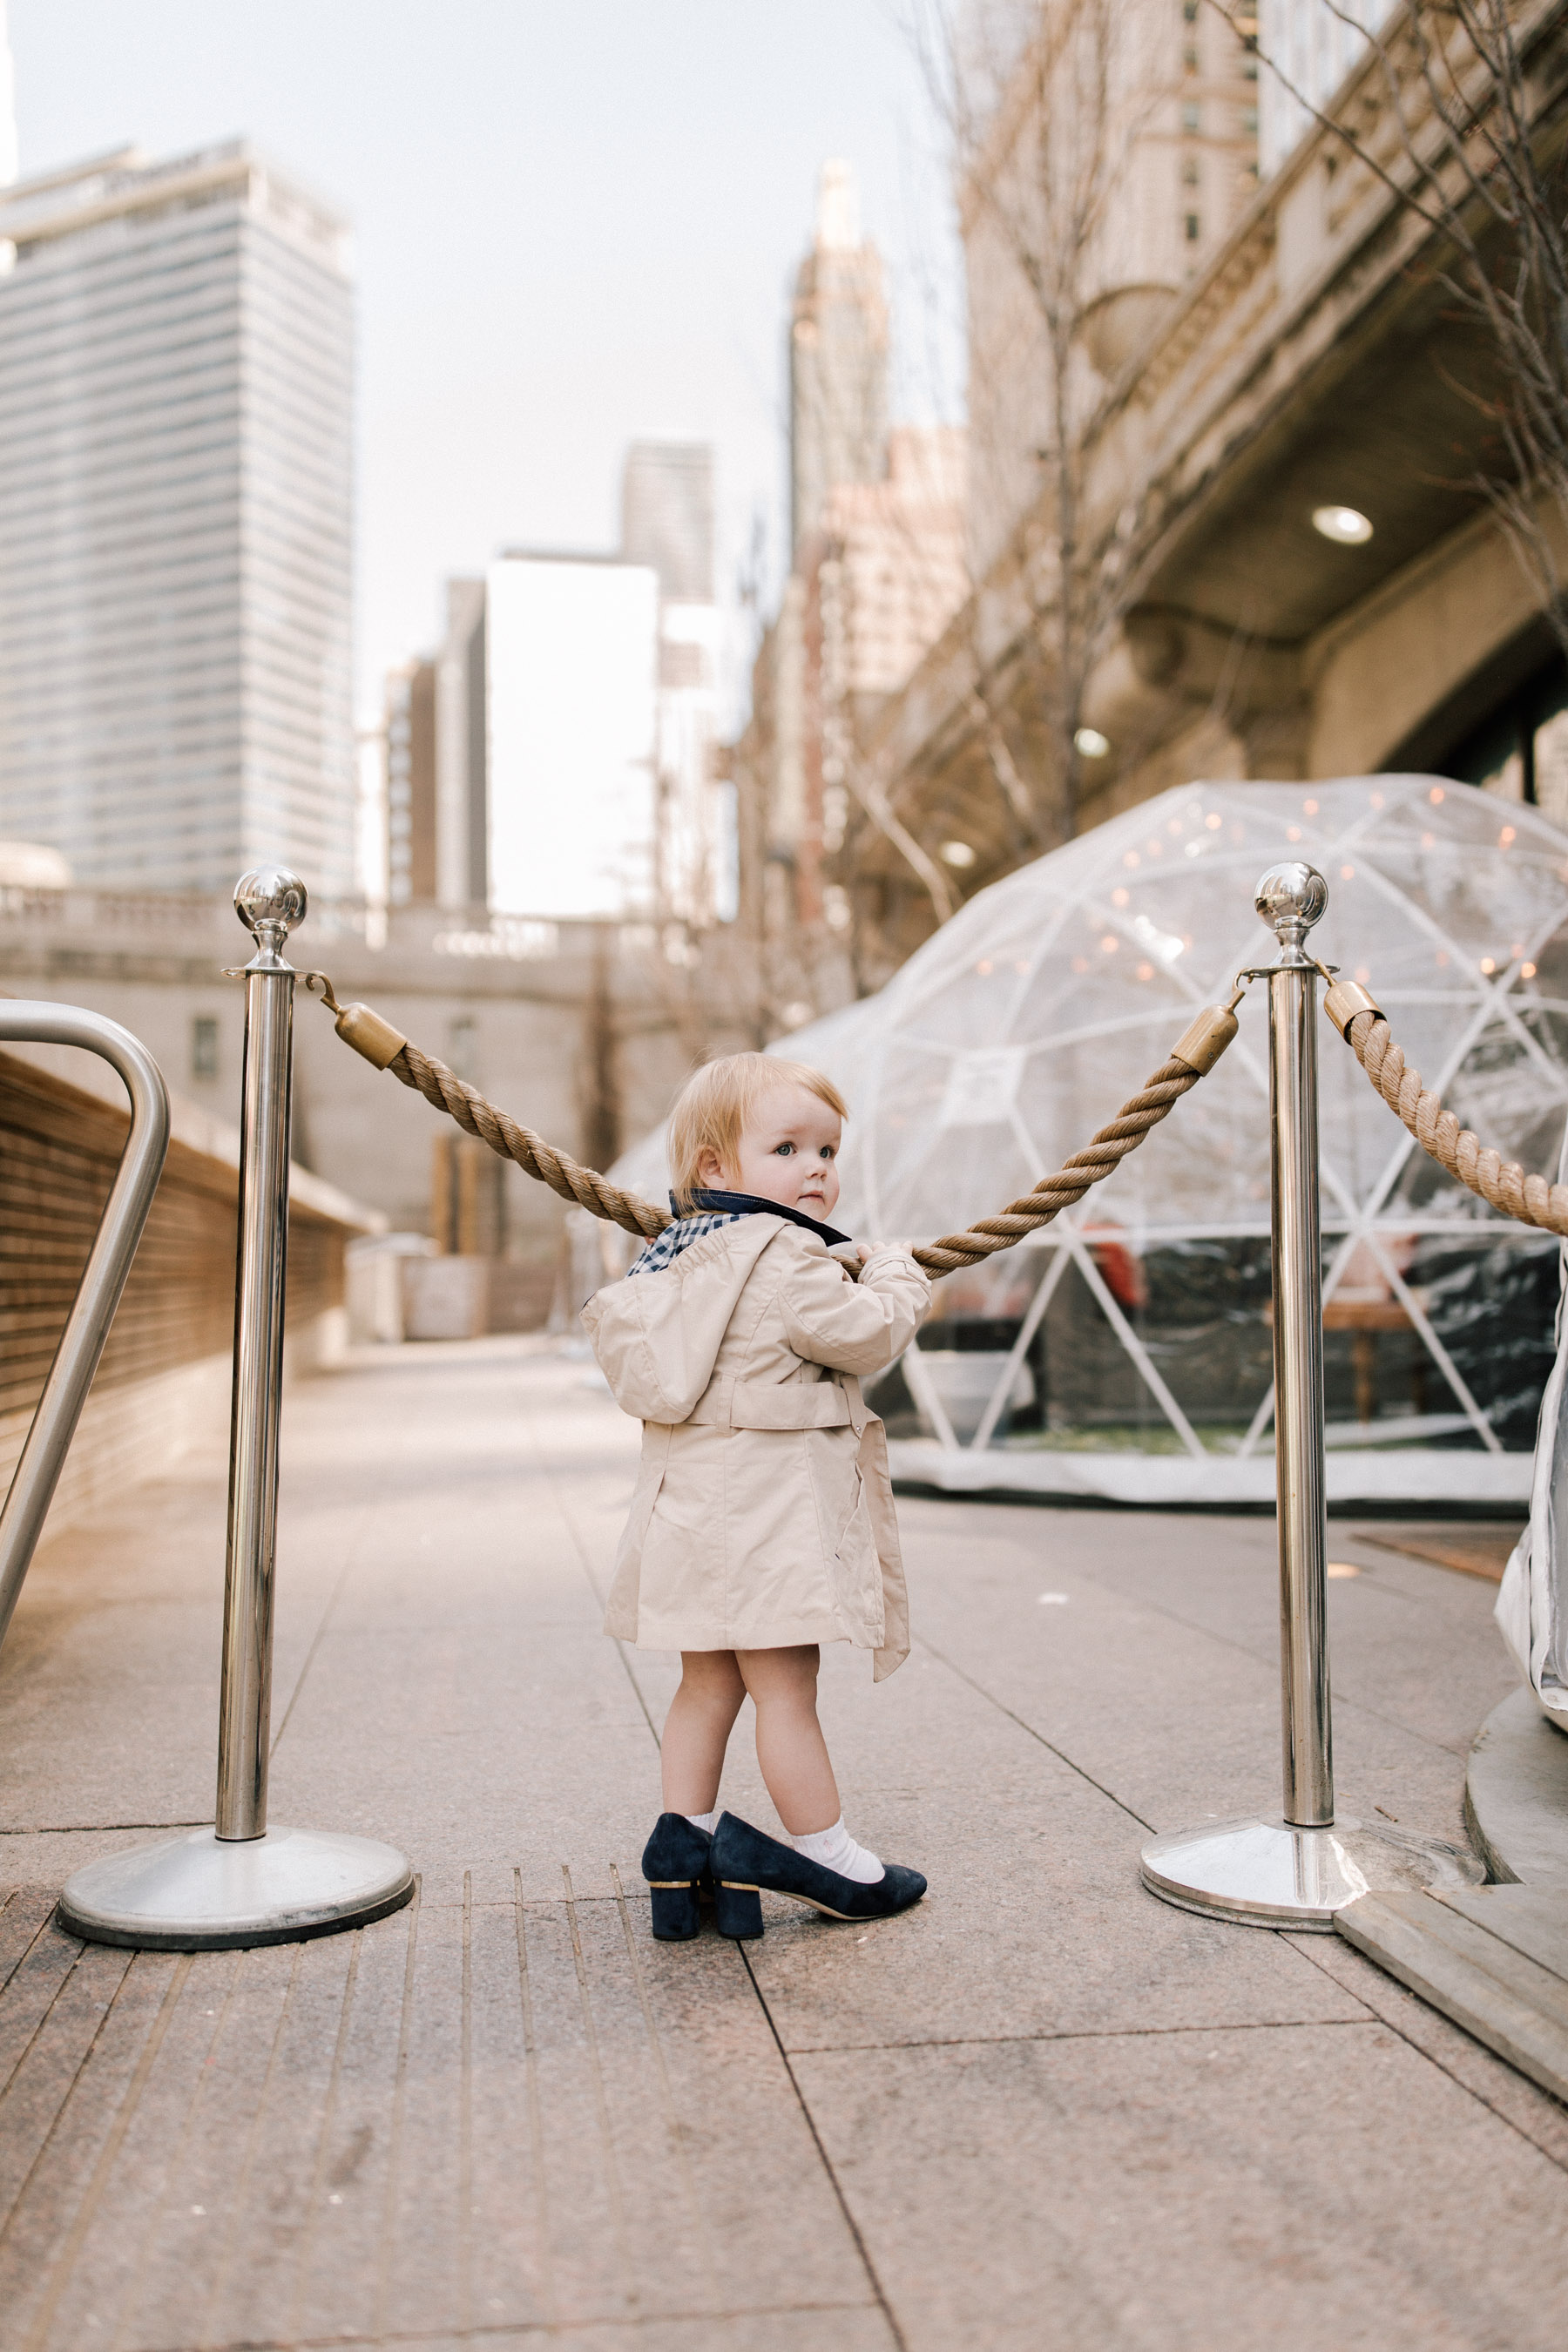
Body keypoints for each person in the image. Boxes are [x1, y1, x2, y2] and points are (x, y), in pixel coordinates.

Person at [581, 1051, 932, 1940]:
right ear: (715, 1168)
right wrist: (892, 1272)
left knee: (707, 1683)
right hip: (767, 1521)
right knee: (785, 1685)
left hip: (692, 1516)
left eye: (826, 1149)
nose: (816, 1168)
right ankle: (829, 1857)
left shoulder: (675, 1258)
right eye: (787, 1148)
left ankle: (682, 1847)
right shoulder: (785, 1256)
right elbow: (865, 1334)